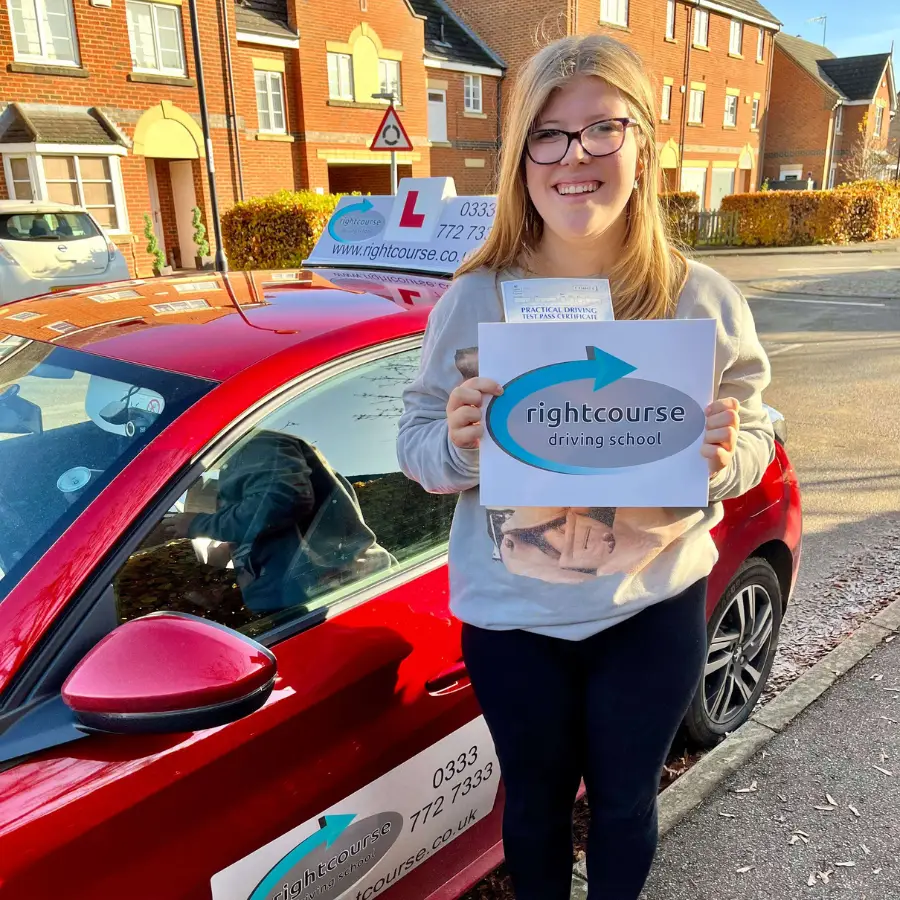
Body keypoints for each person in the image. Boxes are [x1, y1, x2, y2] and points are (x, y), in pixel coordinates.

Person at [397, 34, 774, 900]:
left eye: (603, 129)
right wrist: (454, 444)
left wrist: (723, 460)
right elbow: (417, 449)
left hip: (651, 602)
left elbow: (755, 434)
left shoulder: (701, 298)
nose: (576, 156)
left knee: (624, 802)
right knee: (529, 804)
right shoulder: (474, 297)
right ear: (522, 156)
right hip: (512, 616)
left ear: (643, 145)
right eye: (550, 134)